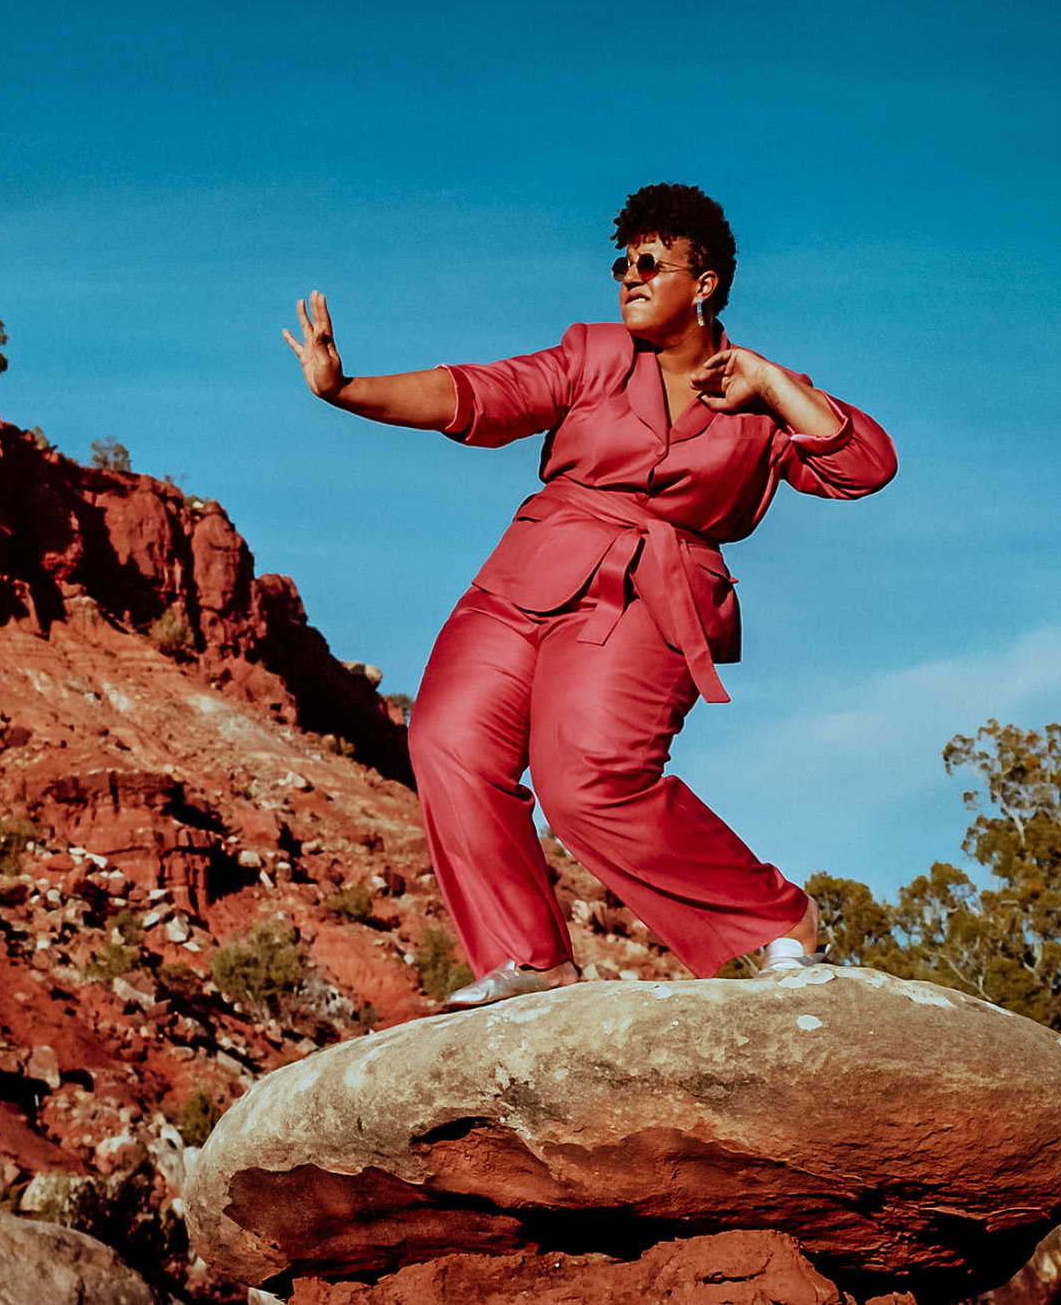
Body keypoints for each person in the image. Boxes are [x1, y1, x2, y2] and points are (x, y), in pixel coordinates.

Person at [282, 183, 898, 1008]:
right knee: (448, 739)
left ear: (705, 281)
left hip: (652, 593)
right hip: (527, 574)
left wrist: (772, 383)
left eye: (648, 263)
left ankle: (775, 921)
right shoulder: (595, 355)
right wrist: (346, 388)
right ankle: (527, 958)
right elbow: (478, 393)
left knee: (586, 779)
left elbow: (865, 468)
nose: (629, 278)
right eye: (621, 265)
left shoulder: (763, 400)